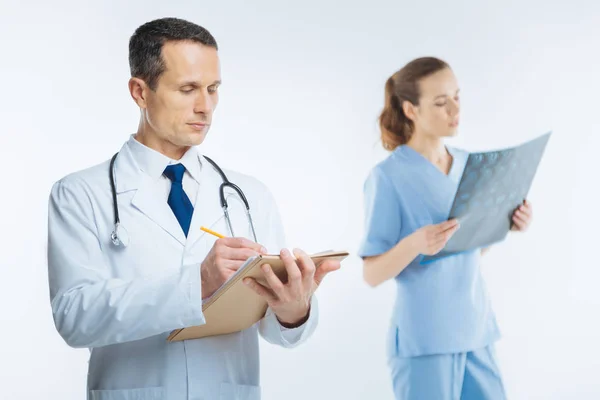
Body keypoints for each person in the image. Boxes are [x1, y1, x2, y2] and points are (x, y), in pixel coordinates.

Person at [47, 17, 340, 400]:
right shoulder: (80, 193)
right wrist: (197, 282)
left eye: (213, 89)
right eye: (187, 89)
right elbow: (74, 318)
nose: (205, 107)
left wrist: (294, 308)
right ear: (140, 91)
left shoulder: (248, 195)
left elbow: (278, 332)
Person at [358, 57, 533, 400]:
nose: (455, 109)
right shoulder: (388, 177)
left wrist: (505, 226)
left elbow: (467, 250)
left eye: (457, 96)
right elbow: (371, 274)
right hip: (425, 339)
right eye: (441, 102)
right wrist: (414, 244)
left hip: (476, 329)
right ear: (410, 109)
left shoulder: (471, 164)